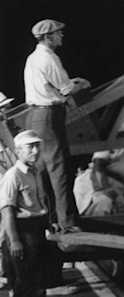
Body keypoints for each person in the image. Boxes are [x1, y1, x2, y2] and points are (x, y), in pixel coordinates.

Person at [23, 19, 86, 238]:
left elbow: (53, 84)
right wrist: (81, 84)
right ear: (48, 37)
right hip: (49, 116)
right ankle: (67, 222)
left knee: (42, 170)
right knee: (59, 169)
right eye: (59, 33)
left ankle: (50, 219)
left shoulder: (33, 58)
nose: (62, 36)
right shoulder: (49, 57)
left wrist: (69, 83)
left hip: (36, 115)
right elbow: (66, 88)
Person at [1, 132, 58, 297]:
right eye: (30, 147)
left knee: (24, 283)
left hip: (34, 228)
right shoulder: (13, 176)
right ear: (18, 151)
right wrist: (14, 240)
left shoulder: (33, 173)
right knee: (35, 282)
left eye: (36, 146)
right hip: (23, 231)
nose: (35, 151)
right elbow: (7, 211)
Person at [73, 152, 124, 219]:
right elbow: (99, 165)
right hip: (96, 181)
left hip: (112, 183)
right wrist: (104, 190)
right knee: (103, 201)